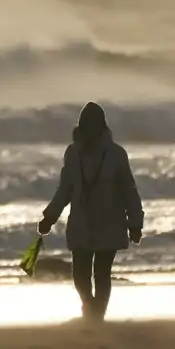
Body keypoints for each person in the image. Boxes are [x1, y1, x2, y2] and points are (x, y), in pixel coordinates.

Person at [37, 101, 144, 323]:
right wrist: (50, 216)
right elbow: (65, 189)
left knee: (102, 272)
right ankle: (91, 306)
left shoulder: (116, 155)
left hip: (110, 221)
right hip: (82, 222)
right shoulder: (73, 154)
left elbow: (128, 189)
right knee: (80, 274)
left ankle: (97, 316)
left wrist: (135, 223)